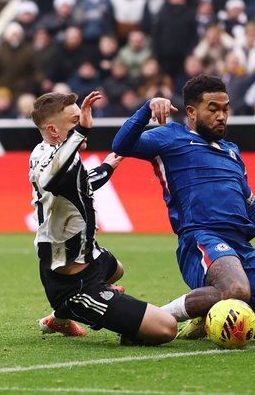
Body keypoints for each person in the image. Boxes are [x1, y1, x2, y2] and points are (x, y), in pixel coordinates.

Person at [112, 75, 255, 343]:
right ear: (191, 112)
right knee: (235, 289)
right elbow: (121, 145)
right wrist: (146, 109)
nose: (221, 116)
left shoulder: (232, 152)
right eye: (213, 109)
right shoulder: (170, 137)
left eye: (225, 109)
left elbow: (252, 208)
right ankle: (152, 320)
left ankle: (211, 314)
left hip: (242, 246)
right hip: (202, 238)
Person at [30, 90, 177, 345]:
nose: (85, 124)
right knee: (167, 328)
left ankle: (58, 319)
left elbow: (81, 184)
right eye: (75, 121)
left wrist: (107, 167)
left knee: (116, 268)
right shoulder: (47, 159)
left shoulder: (56, 153)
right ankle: (73, 306)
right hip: (73, 283)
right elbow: (51, 179)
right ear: (53, 131)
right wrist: (81, 131)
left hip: (88, 258)